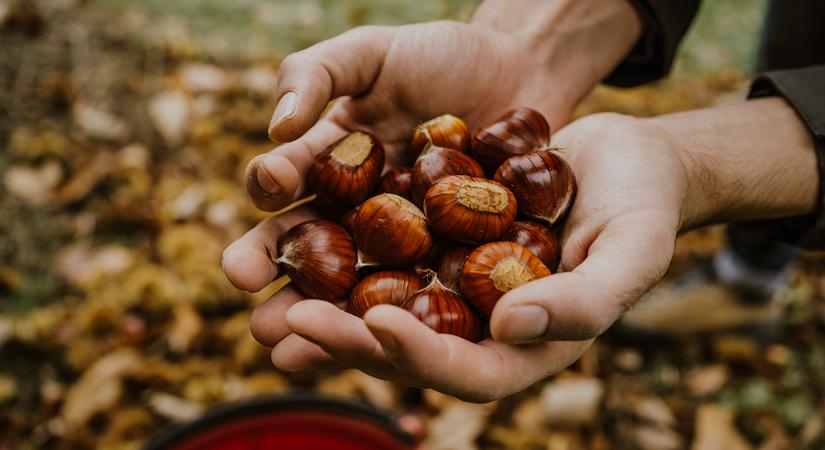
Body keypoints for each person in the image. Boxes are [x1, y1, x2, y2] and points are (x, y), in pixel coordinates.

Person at [222, 0, 825, 401]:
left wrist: (688, 164)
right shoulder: (459, 208)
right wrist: (525, 46)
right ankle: (750, 271)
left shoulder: (469, 212)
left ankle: (747, 282)